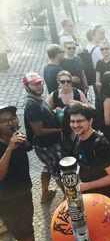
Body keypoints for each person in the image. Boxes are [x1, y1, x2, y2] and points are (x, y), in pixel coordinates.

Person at [0, 105, 50, 241]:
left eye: (12, 118)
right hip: (11, 203)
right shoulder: (4, 145)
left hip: (23, 195)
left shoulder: (16, 135)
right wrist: (9, 149)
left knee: (27, 233)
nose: (10, 123)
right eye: (4, 121)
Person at [23, 72, 64, 203]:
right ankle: (69, 197)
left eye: (40, 83)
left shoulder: (38, 99)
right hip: (46, 145)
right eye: (35, 84)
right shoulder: (32, 105)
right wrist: (60, 130)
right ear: (26, 86)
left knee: (48, 168)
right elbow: (39, 131)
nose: (39, 86)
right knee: (57, 170)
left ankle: (44, 194)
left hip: (49, 144)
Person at [68, 102, 110, 200]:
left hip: (102, 197)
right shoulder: (77, 136)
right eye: (72, 121)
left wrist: (86, 186)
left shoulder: (100, 145)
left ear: (90, 121)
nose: (75, 125)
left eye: (80, 121)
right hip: (87, 195)